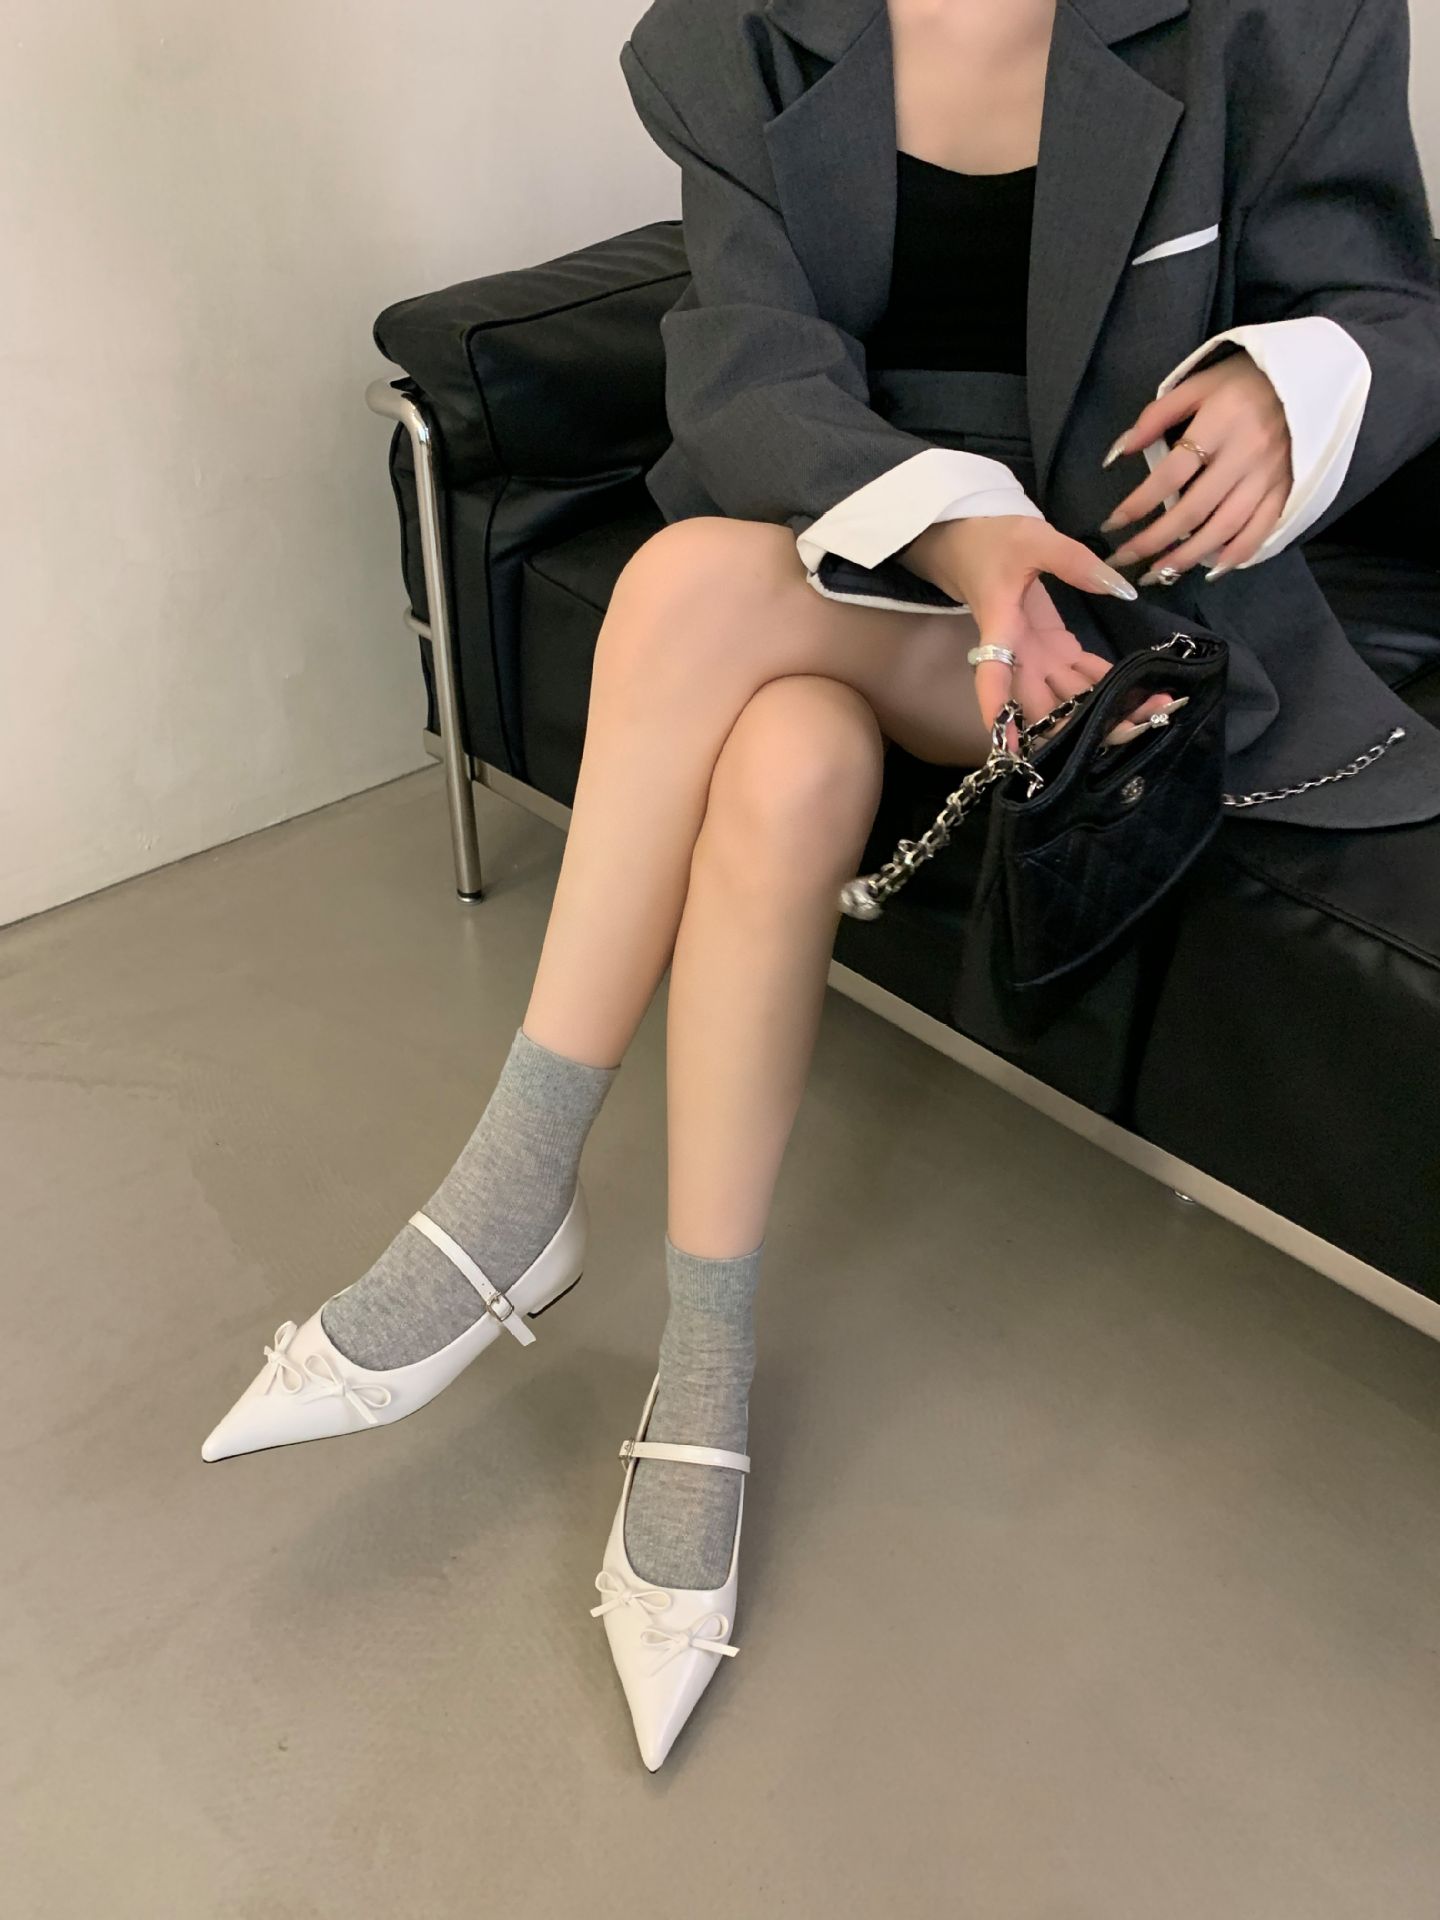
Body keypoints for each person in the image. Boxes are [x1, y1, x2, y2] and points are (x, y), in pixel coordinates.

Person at [201, 0, 1440, 1770]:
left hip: (1114, 636)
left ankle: (509, 1204)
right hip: (865, 569)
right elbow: (748, 374)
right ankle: (701, 1386)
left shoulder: (1282, 15)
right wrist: (960, 536)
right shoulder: (730, 38)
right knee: (783, 758)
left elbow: (1394, 309)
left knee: (682, 592)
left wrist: (1285, 384)